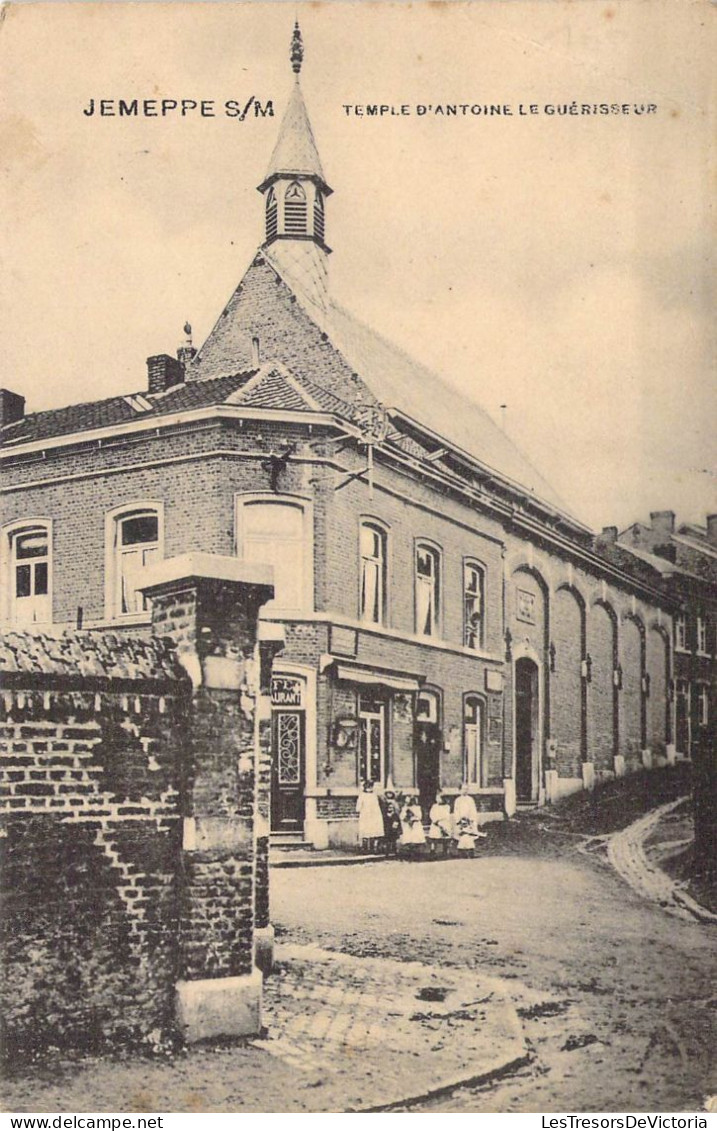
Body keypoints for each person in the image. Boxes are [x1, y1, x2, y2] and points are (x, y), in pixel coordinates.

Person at [452, 783, 486, 858]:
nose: (465, 791)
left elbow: (473, 811)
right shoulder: (458, 800)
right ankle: (462, 853)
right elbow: (456, 811)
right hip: (461, 821)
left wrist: (471, 820)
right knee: (462, 836)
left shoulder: (470, 800)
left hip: (469, 821)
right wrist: (459, 820)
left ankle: (470, 852)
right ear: (460, 790)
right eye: (463, 789)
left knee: (469, 836)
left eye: (466, 789)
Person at [355, 779, 384, 853]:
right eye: (368, 786)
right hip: (366, 815)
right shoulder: (362, 795)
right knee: (365, 831)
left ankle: (372, 847)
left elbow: (377, 805)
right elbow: (358, 808)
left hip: (374, 815)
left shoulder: (374, 795)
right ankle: (365, 848)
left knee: (373, 831)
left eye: (371, 786)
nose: (370, 788)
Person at [427, 791, 452, 857]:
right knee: (434, 838)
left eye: (439, 798)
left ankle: (445, 851)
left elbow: (446, 815)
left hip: (443, 823)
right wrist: (435, 820)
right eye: (436, 798)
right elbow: (431, 814)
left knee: (445, 838)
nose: (437, 799)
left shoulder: (447, 807)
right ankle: (433, 851)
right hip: (435, 823)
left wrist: (440, 821)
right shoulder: (434, 806)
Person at [379, 789, 402, 857]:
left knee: (394, 839)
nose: (389, 795)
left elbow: (397, 816)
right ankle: (387, 851)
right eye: (388, 793)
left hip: (393, 827)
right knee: (387, 840)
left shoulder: (394, 805)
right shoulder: (385, 804)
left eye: (390, 793)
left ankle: (394, 850)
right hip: (388, 828)